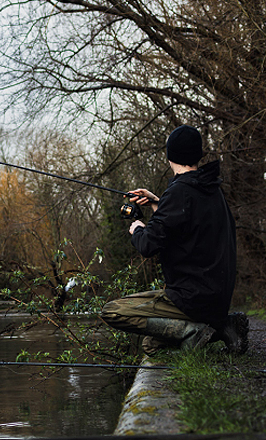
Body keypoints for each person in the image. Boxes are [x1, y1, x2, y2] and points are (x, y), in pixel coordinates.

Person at [101, 124, 249, 355]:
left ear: (170, 156)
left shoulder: (181, 192)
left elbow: (148, 245)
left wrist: (137, 229)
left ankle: (194, 332)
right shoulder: (208, 187)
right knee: (152, 345)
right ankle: (222, 327)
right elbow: (189, 223)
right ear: (197, 155)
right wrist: (156, 203)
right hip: (215, 298)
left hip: (191, 297)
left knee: (112, 311)